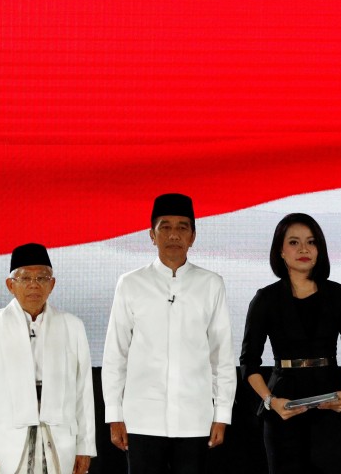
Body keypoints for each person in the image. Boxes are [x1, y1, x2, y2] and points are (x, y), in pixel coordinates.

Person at [101, 193, 236, 473]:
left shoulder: (211, 284)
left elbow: (221, 355)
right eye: (165, 227)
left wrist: (222, 414)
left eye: (182, 227)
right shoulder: (130, 284)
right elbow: (116, 354)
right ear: (152, 235)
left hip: (195, 418)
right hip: (141, 419)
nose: (174, 234)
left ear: (193, 236)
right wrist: (114, 414)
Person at [240, 213, 341, 474]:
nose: (303, 249)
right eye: (294, 242)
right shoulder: (266, 298)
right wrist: (270, 401)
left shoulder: (338, 294)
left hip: (330, 400)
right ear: (281, 251)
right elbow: (248, 362)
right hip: (283, 405)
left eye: (311, 242)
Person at [0, 243, 95, 474]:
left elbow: (83, 391)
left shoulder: (72, 325)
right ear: (10, 285)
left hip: (60, 438)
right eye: (25, 278)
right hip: (6, 440)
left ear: (52, 284)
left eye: (42, 278)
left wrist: (85, 446)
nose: (34, 284)